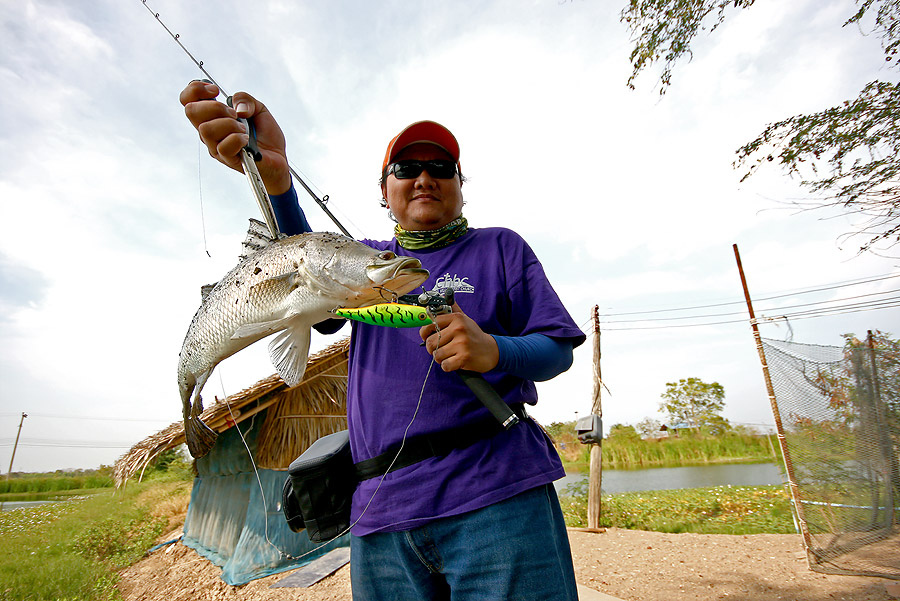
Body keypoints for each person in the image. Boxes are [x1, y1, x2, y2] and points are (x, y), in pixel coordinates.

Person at [180, 80, 587, 601]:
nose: (423, 178)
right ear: (385, 190)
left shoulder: (501, 248)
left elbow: (557, 348)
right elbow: (306, 264)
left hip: (498, 496)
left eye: (441, 168)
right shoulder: (361, 263)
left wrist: (495, 351)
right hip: (379, 515)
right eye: (406, 169)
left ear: (461, 185)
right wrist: (277, 178)